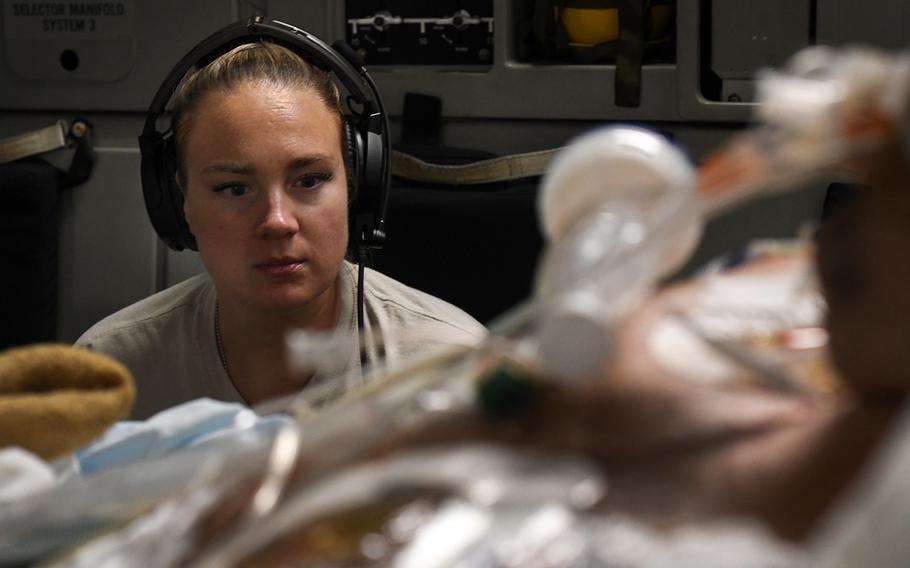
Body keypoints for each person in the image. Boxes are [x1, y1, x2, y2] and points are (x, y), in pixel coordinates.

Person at [76, 37, 486, 419]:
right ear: (179, 201)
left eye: (308, 181)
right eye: (234, 188)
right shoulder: (109, 373)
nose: (277, 221)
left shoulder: (457, 365)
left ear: (357, 186)